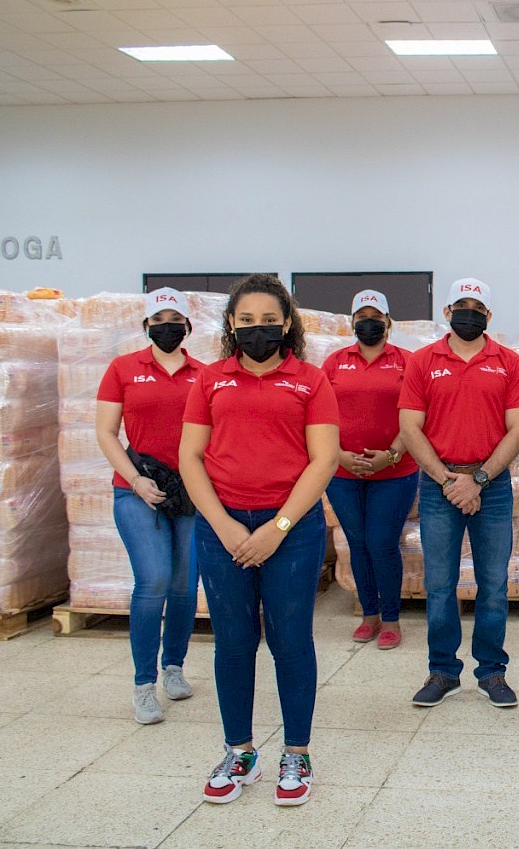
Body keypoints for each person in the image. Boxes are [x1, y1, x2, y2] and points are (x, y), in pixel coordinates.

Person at [179, 274, 340, 807]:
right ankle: (239, 750)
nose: (257, 329)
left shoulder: (310, 380)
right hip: (221, 526)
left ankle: (297, 752)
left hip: (290, 529)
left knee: (291, 641)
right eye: (245, 320)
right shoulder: (210, 380)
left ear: (287, 322)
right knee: (233, 641)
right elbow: (190, 457)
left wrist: (278, 528)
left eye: (268, 319)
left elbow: (324, 460)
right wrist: (225, 525)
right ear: (230, 324)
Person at [398, 278, 519, 709]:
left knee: (493, 585)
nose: (468, 313)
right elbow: (410, 428)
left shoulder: (508, 363)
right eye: (461, 305)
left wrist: (478, 479)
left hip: (490, 489)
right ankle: (443, 671)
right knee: (440, 584)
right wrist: (446, 479)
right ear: (447, 312)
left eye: (477, 307)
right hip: (439, 488)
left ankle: (492, 673)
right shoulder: (423, 362)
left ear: (489, 316)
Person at [95, 287, 204, 725]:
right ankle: (143, 685)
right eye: (157, 321)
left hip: (190, 492)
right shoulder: (123, 369)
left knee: (183, 583)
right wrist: (137, 481)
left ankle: (173, 668)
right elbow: (106, 432)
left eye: (174, 320)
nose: (166, 327)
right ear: (146, 327)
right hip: (136, 489)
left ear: (188, 327)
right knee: (154, 579)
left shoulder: (205, 373)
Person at [322, 289, 420, 650]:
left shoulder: (407, 362)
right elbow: (319, 416)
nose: (369, 322)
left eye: (375, 315)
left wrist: (391, 455)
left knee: (382, 543)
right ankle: (369, 615)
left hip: (395, 471)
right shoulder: (334, 363)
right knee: (358, 543)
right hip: (344, 472)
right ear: (352, 322)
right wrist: (339, 456)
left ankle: (391, 619)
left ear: (388, 322)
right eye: (361, 315)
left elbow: (415, 415)